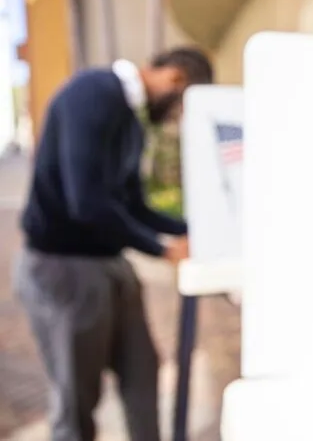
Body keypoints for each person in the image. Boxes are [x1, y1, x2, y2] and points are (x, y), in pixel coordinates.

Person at [13, 48, 213, 441]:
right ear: (175, 79)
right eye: (183, 104)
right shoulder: (93, 93)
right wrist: (161, 250)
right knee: (77, 398)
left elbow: (132, 204)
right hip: (64, 266)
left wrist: (192, 229)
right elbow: (86, 202)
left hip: (110, 261)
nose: (177, 117)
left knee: (143, 371)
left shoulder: (131, 119)